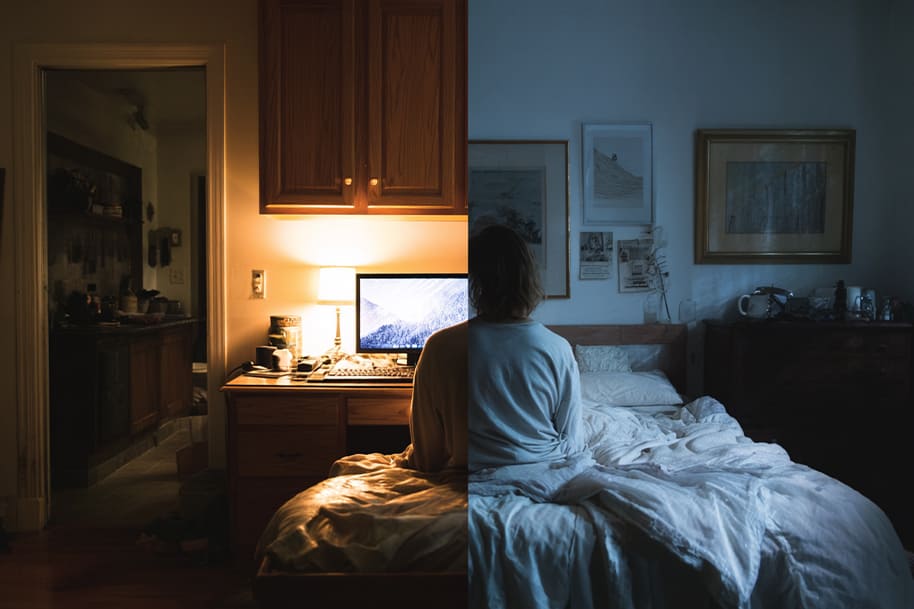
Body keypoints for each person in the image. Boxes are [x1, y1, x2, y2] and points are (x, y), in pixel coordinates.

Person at [467, 224, 584, 472]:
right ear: (530, 280)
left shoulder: (439, 347)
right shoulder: (557, 348)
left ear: (476, 281)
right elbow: (572, 437)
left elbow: (428, 450)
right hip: (538, 467)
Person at [405, 319, 468, 473]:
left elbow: (427, 457)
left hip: (459, 477)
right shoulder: (538, 339)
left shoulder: (440, 344)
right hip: (530, 474)